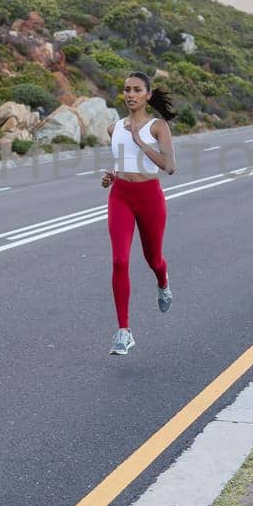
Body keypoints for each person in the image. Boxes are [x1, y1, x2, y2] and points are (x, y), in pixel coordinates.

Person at [99, 71, 176, 356]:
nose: (130, 94)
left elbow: (169, 166)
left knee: (153, 259)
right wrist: (110, 176)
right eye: (126, 89)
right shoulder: (113, 127)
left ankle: (163, 281)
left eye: (136, 90)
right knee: (120, 260)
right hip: (120, 196)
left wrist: (141, 142)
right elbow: (121, 162)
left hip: (149, 198)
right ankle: (124, 331)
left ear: (147, 94)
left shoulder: (158, 127)